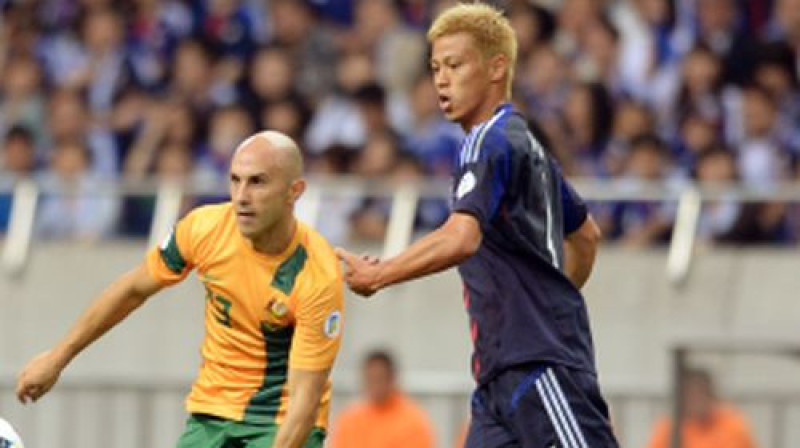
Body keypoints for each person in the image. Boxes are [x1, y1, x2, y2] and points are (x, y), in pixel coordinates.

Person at [336, 4, 618, 447]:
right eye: (435, 68)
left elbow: (462, 237)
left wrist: (380, 272)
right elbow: (585, 235)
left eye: (455, 64)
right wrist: (554, 295)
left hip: (539, 367)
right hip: (498, 378)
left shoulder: (488, 141)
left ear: (496, 67)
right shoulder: (525, 146)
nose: (441, 79)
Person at [16, 131, 345, 448]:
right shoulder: (204, 228)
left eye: (258, 182)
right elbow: (132, 289)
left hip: (280, 423)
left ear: (294, 191)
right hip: (212, 414)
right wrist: (57, 358)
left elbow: (305, 404)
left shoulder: (317, 276)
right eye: (235, 180)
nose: (242, 196)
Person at [330, 350, 435, 448]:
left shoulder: (413, 421)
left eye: (379, 378)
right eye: (370, 379)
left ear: (392, 378)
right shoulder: (349, 419)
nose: (375, 386)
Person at [647, 368, 757, 448]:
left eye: (700, 393)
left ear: (711, 394)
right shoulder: (670, 426)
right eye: (690, 394)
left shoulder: (732, 424)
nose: (696, 400)